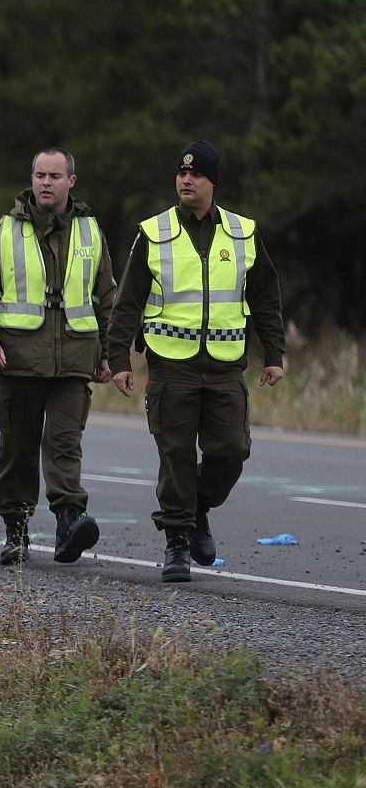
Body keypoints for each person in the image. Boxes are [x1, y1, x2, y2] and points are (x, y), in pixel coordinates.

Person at [107, 141, 285, 582]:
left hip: (226, 364)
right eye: (181, 174)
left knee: (232, 451)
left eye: (197, 175)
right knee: (175, 455)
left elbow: (265, 298)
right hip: (171, 364)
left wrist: (275, 354)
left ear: (213, 183)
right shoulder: (154, 232)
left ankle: (198, 506)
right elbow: (128, 301)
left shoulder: (243, 233)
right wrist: (118, 357)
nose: (186, 180)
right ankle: (177, 543)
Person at [0, 148, 115, 566]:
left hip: (74, 361)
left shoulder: (90, 231)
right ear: (30, 179)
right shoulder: (7, 229)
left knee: (65, 443)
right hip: (18, 359)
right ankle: (17, 530)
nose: (45, 182)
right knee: (18, 448)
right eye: (39, 175)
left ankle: (70, 521)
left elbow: (108, 297)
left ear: (71, 181)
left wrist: (110, 354)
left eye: (54, 175)